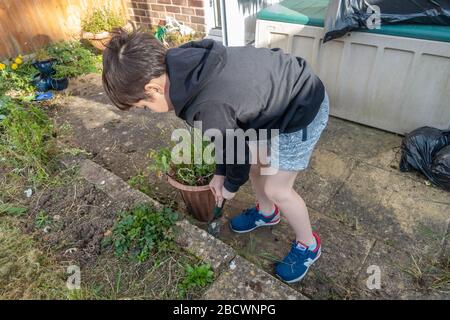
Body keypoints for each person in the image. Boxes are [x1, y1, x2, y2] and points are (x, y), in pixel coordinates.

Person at [102, 29, 329, 283]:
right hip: (269, 100)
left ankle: (308, 245)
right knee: (258, 166)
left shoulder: (206, 103)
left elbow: (234, 149)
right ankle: (267, 213)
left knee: (279, 189)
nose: (149, 111)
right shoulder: (183, 65)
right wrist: (220, 173)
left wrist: (231, 186)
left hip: (301, 105)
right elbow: (226, 136)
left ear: (153, 88)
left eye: (144, 106)